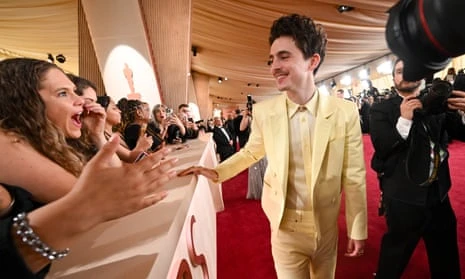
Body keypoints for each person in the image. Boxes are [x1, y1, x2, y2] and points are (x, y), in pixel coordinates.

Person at [179, 14, 367, 278]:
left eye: (284, 56)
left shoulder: (344, 112)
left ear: (312, 61)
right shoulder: (265, 112)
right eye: (272, 59)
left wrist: (358, 228)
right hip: (284, 227)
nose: (274, 66)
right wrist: (216, 172)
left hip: (326, 227)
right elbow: (252, 152)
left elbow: (355, 174)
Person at [0, 57, 177, 278]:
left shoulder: (55, 144)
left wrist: (96, 135)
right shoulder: (7, 142)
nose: (83, 103)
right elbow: (102, 194)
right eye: (63, 93)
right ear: (23, 102)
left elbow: (112, 183)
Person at [370, 58, 465, 279]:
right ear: (393, 79)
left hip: (439, 196)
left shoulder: (438, 104)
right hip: (402, 198)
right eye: (399, 71)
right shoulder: (381, 109)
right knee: (393, 260)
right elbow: (382, 147)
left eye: (410, 69)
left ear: (421, 76)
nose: (404, 74)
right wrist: (404, 119)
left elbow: (461, 133)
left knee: (446, 260)